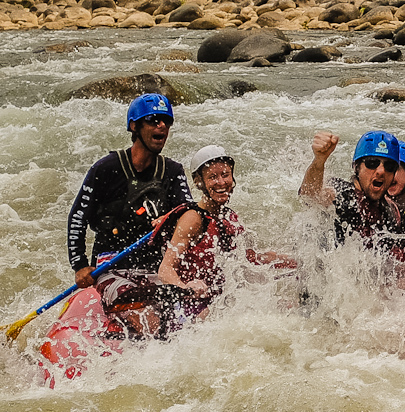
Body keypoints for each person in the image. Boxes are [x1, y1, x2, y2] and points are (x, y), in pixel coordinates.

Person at [66, 93, 193, 337]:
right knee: (149, 319)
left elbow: (188, 216)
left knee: (186, 310)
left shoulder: (173, 171)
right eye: (154, 120)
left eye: (166, 121)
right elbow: (78, 217)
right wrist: (80, 265)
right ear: (134, 126)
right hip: (111, 268)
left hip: (155, 269)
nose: (162, 126)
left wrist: (173, 217)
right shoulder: (106, 168)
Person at [157, 145, 296, 325]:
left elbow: (251, 258)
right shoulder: (193, 218)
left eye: (225, 175)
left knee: (286, 306)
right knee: (211, 316)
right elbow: (165, 270)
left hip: (220, 297)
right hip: (190, 301)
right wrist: (187, 286)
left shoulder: (229, 217)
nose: (221, 182)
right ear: (199, 182)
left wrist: (296, 261)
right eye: (212, 177)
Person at [299, 130, 405, 273]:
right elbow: (311, 195)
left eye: (389, 166)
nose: (380, 171)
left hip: (362, 283)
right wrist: (319, 161)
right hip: (323, 282)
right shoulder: (341, 194)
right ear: (356, 167)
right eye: (372, 163)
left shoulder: (391, 211)